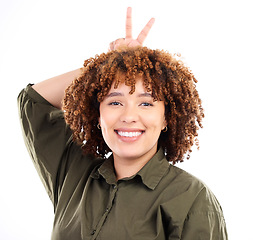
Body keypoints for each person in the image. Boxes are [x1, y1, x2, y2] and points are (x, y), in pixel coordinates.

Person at [18, 7, 228, 240]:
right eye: (115, 102)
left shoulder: (191, 198)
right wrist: (107, 65)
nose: (129, 116)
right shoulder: (73, 173)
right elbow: (33, 102)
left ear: (166, 117)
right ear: (97, 114)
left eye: (146, 104)